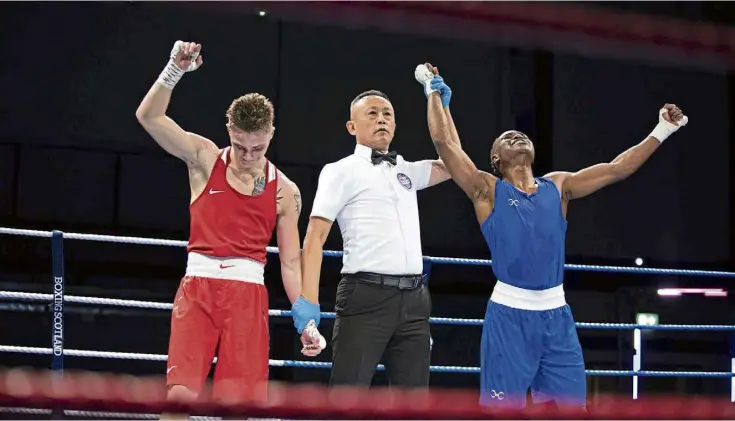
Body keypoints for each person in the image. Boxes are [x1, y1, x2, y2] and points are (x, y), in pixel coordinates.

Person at [414, 62, 688, 409]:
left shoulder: (559, 186)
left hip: (557, 317)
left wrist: (663, 129)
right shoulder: (487, 190)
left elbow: (619, 168)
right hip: (508, 317)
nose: (517, 136)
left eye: (522, 136)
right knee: (501, 412)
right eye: (507, 139)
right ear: (495, 159)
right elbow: (445, 143)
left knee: (572, 410)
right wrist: (434, 93)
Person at [135, 40, 304, 414]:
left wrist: (304, 312)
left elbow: (291, 263)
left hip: (248, 296)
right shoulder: (203, 158)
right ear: (229, 129)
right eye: (240, 145)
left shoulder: (285, 192)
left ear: (271, 134)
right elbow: (149, 117)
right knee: (179, 398)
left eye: (256, 148)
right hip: (198, 289)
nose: (247, 156)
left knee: (239, 407)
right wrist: (173, 70)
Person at [291, 89, 455, 388]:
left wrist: (441, 107)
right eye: (373, 113)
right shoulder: (339, 171)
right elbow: (315, 237)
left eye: (388, 114)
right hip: (365, 296)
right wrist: (308, 304)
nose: (382, 119)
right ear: (352, 127)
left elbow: (456, 164)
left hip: (415, 300)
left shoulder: (407, 170)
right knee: (346, 399)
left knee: (413, 407)